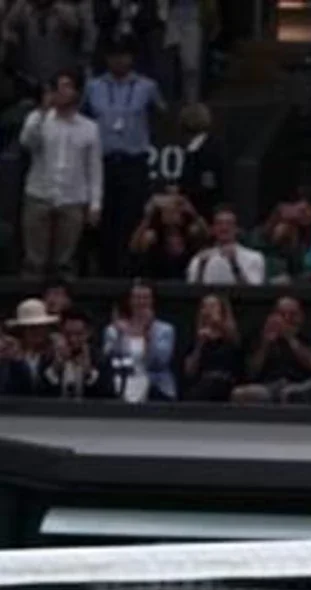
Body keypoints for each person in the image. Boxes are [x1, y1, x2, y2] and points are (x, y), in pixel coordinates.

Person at [84, 37, 163, 277]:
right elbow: (84, 115)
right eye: (114, 55)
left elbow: (161, 113)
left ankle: (130, 272)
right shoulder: (93, 87)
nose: (119, 60)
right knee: (105, 219)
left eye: (124, 55)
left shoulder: (147, 86)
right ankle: (105, 271)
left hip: (134, 160)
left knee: (132, 218)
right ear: (107, 59)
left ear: (132, 58)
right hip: (104, 161)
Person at [19, 70, 102, 280]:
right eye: (57, 87)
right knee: (34, 261)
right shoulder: (38, 118)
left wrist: (95, 204)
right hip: (39, 195)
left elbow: (93, 168)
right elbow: (27, 142)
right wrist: (42, 111)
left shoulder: (89, 128)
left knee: (64, 263)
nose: (60, 92)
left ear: (76, 92)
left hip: (72, 199)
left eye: (66, 86)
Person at [101, 280, 176, 403]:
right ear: (130, 301)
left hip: (154, 386)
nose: (141, 302)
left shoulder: (165, 330)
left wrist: (147, 334)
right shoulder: (114, 329)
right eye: (137, 298)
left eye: (146, 298)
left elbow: (159, 363)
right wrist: (119, 336)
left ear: (152, 301)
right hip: (121, 382)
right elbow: (108, 358)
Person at [40, 307, 116, 400]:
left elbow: (108, 396)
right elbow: (37, 393)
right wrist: (55, 369)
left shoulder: (101, 359)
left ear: (88, 333)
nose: (73, 339)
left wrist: (89, 373)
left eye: (78, 334)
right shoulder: (49, 356)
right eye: (68, 334)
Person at [180, 293, 245, 402]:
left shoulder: (231, 336)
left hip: (226, 381)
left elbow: (237, 353)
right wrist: (200, 345)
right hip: (203, 382)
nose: (208, 310)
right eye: (205, 306)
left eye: (212, 306)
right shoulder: (197, 337)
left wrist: (218, 325)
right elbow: (189, 371)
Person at [186, 206, 267, 286]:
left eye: (229, 223)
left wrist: (234, 263)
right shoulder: (200, 259)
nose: (224, 228)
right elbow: (193, 292)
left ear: (237, 229)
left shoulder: (254, 257)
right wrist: (201, 268)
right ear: (213, 229)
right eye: (219, 223)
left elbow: (253, 292)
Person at [1, 299, 62, 396]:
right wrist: (17, 362)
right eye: (31, 328)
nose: (36, 332)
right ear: (21, 330)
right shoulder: (9, 354)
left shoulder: (55, 353)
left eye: (40, 327)